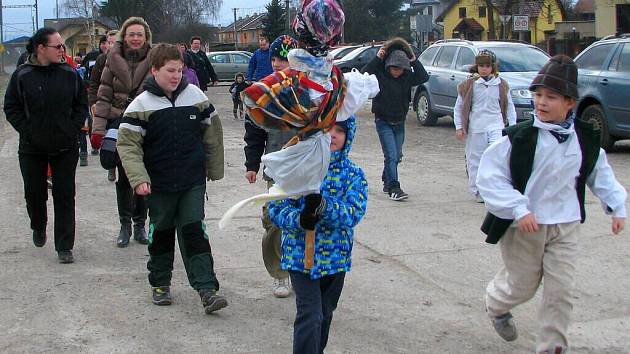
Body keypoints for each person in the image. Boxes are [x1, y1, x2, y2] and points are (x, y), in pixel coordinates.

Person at [477, 55, 627, 354]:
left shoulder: (584, 141)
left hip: (566, 224)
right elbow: (490, 178)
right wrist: (518, 207)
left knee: (561, 291)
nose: (541, 103)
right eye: (538, 95)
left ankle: (552, 347)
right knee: (522, 285)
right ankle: (496, 304)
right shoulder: (518, 139)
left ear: (570, 102)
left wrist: (616, 206)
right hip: (526, 227)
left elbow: (599, 173)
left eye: (551, 97)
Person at [117, 43, 227, 314]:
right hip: (159, 183)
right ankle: (160, 283)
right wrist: (138, 178)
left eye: (180, 70)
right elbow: (128, 146)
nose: (176, 75)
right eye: (170, 70)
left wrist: (213, 168)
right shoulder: (140, 104)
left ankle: (207, 289)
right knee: (161, 234)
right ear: (154, 70)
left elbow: (212, 133)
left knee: (194, 233)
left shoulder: (196, 97)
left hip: (191, 181)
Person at [268, 116, 368, 354]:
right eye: (327, 130)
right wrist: (299, 219)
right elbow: (275, 208)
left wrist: (325, 206)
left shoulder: (353, 174)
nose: (333, 135)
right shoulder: (296, 167)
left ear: (348, 137)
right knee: (310, 314)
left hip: (335, 258)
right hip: (299, 256)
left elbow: (353, 212)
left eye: (340, 131)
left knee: (324, 314)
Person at [4, 28, 88, 264]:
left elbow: (82, 104)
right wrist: (27, 131)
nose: (63, 50)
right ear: (41, 48)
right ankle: (38, 226)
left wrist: (72, 128)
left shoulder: (70, 74)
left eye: (63, 46)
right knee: (34, 193)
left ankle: (64, 246)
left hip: (65, 146)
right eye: (58, 46)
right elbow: (11, 107)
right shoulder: (22, 75)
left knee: (65, 194)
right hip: (32, 148)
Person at [243, 34, 298, 298]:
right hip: (275, 168)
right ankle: (280, 274)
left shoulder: (308, 91)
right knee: (274, 220)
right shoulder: (264, 91)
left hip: (305, 167)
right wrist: (252, 163)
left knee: (303, 220)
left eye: (283, 59)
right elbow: (254, 132)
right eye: (273, 58)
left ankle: (301, 269)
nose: (276, 64)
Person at [91, 17, 152, 248]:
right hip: (120, 123)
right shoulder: (111, 59)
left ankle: (140, 224)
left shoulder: (155, 58)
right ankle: (125, 224)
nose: (135, 39)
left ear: (146, 38)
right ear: (124, 37)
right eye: (131, 34)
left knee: (143, 175)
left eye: (140, 34)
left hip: (146, 123)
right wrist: (98, 129)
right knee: (124, 177)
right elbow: (103, 95)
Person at [362, 37, 428, 201]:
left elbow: (423, 77)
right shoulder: (379, 75)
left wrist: (413, 60)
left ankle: (386, 179)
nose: (397, 71)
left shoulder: (406, 77)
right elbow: (365, 73)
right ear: (388, 65)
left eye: (401, 68)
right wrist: (378, 57)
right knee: (391, 155)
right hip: (383, 121)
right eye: (394, 68)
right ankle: (394, 187)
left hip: (399, 122)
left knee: (397, 155)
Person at [453, 50, 516, 203]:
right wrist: (459, 127)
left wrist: (512, 128)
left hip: (496, 126)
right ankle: (477, 190)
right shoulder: (469, 85)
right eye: (481, 65)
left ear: (493, 67)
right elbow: (459, 107)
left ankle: (496, 188)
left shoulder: (502, 85)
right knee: (475, 160)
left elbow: (510, 108)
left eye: (487, 66)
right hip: (476, 127)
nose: (484, 69)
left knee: (497, 158)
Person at [88, 30, 118, 160]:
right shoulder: (101, 59)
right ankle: (111, 164)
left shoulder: (129, 59)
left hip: (120, 104)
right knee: (107, 136)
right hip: (104, 102)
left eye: (113, 42)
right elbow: (93, 83)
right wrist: (93, 102)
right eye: (108, 42)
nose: (109, 45)